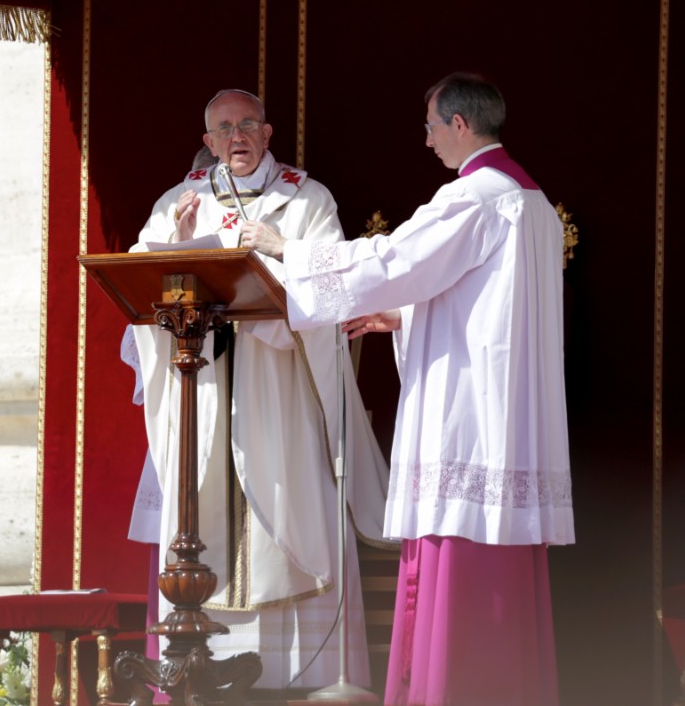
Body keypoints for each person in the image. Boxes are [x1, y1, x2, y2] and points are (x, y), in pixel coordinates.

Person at [241, 73, 574, 705]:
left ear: (458, 125)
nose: (425, 142)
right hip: (508, 416)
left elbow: (395, 260)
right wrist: (405, 317)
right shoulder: (530, 201)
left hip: (472, 417)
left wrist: (291, 250)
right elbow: (483, 304)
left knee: (461, 556)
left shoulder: (472, 197)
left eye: (429, 127)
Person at [130, 89, 390, 689]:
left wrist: (278, 258)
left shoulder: (305, 199)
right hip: (205, 385)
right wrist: (175, 245)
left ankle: (292, 675)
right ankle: (198, 668)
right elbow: (142, 278)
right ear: (208, 141)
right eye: (223, 129)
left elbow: (333, 286)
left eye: (247, 124)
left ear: (269, 134)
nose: (236, 136)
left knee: (284, 500)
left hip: (278, 392)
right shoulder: (180, 201)